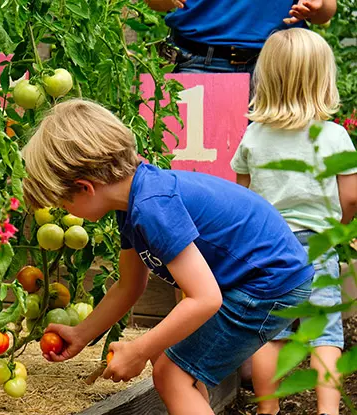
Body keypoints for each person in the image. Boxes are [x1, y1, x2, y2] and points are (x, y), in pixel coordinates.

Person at [21, 98, 314, 415]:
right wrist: (81, 333)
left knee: (170, 373)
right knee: (184, 371)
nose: (64, 211)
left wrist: (139, 349)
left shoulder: (151, 207)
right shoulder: (135, 201)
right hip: (261, 278)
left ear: (85, 188)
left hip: (269, 283)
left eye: (63, 204)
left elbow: (205, 299)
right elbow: (129, 286)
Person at [230, 28, 357, 415]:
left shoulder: (253, 136)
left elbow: (244, 201)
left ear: (264, 78)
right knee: (325, 334)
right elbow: (351, 197)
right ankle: (328, 410)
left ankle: (268, 410)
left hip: (269, 251)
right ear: (323, 80)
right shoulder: (334, 136)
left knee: (273, 334)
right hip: (317, 247)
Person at [147, 0, 337, 78]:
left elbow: (325, 12)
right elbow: (156, 3)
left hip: (281, 67)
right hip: (198, 61)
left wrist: (316, 6)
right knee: (191, 162)